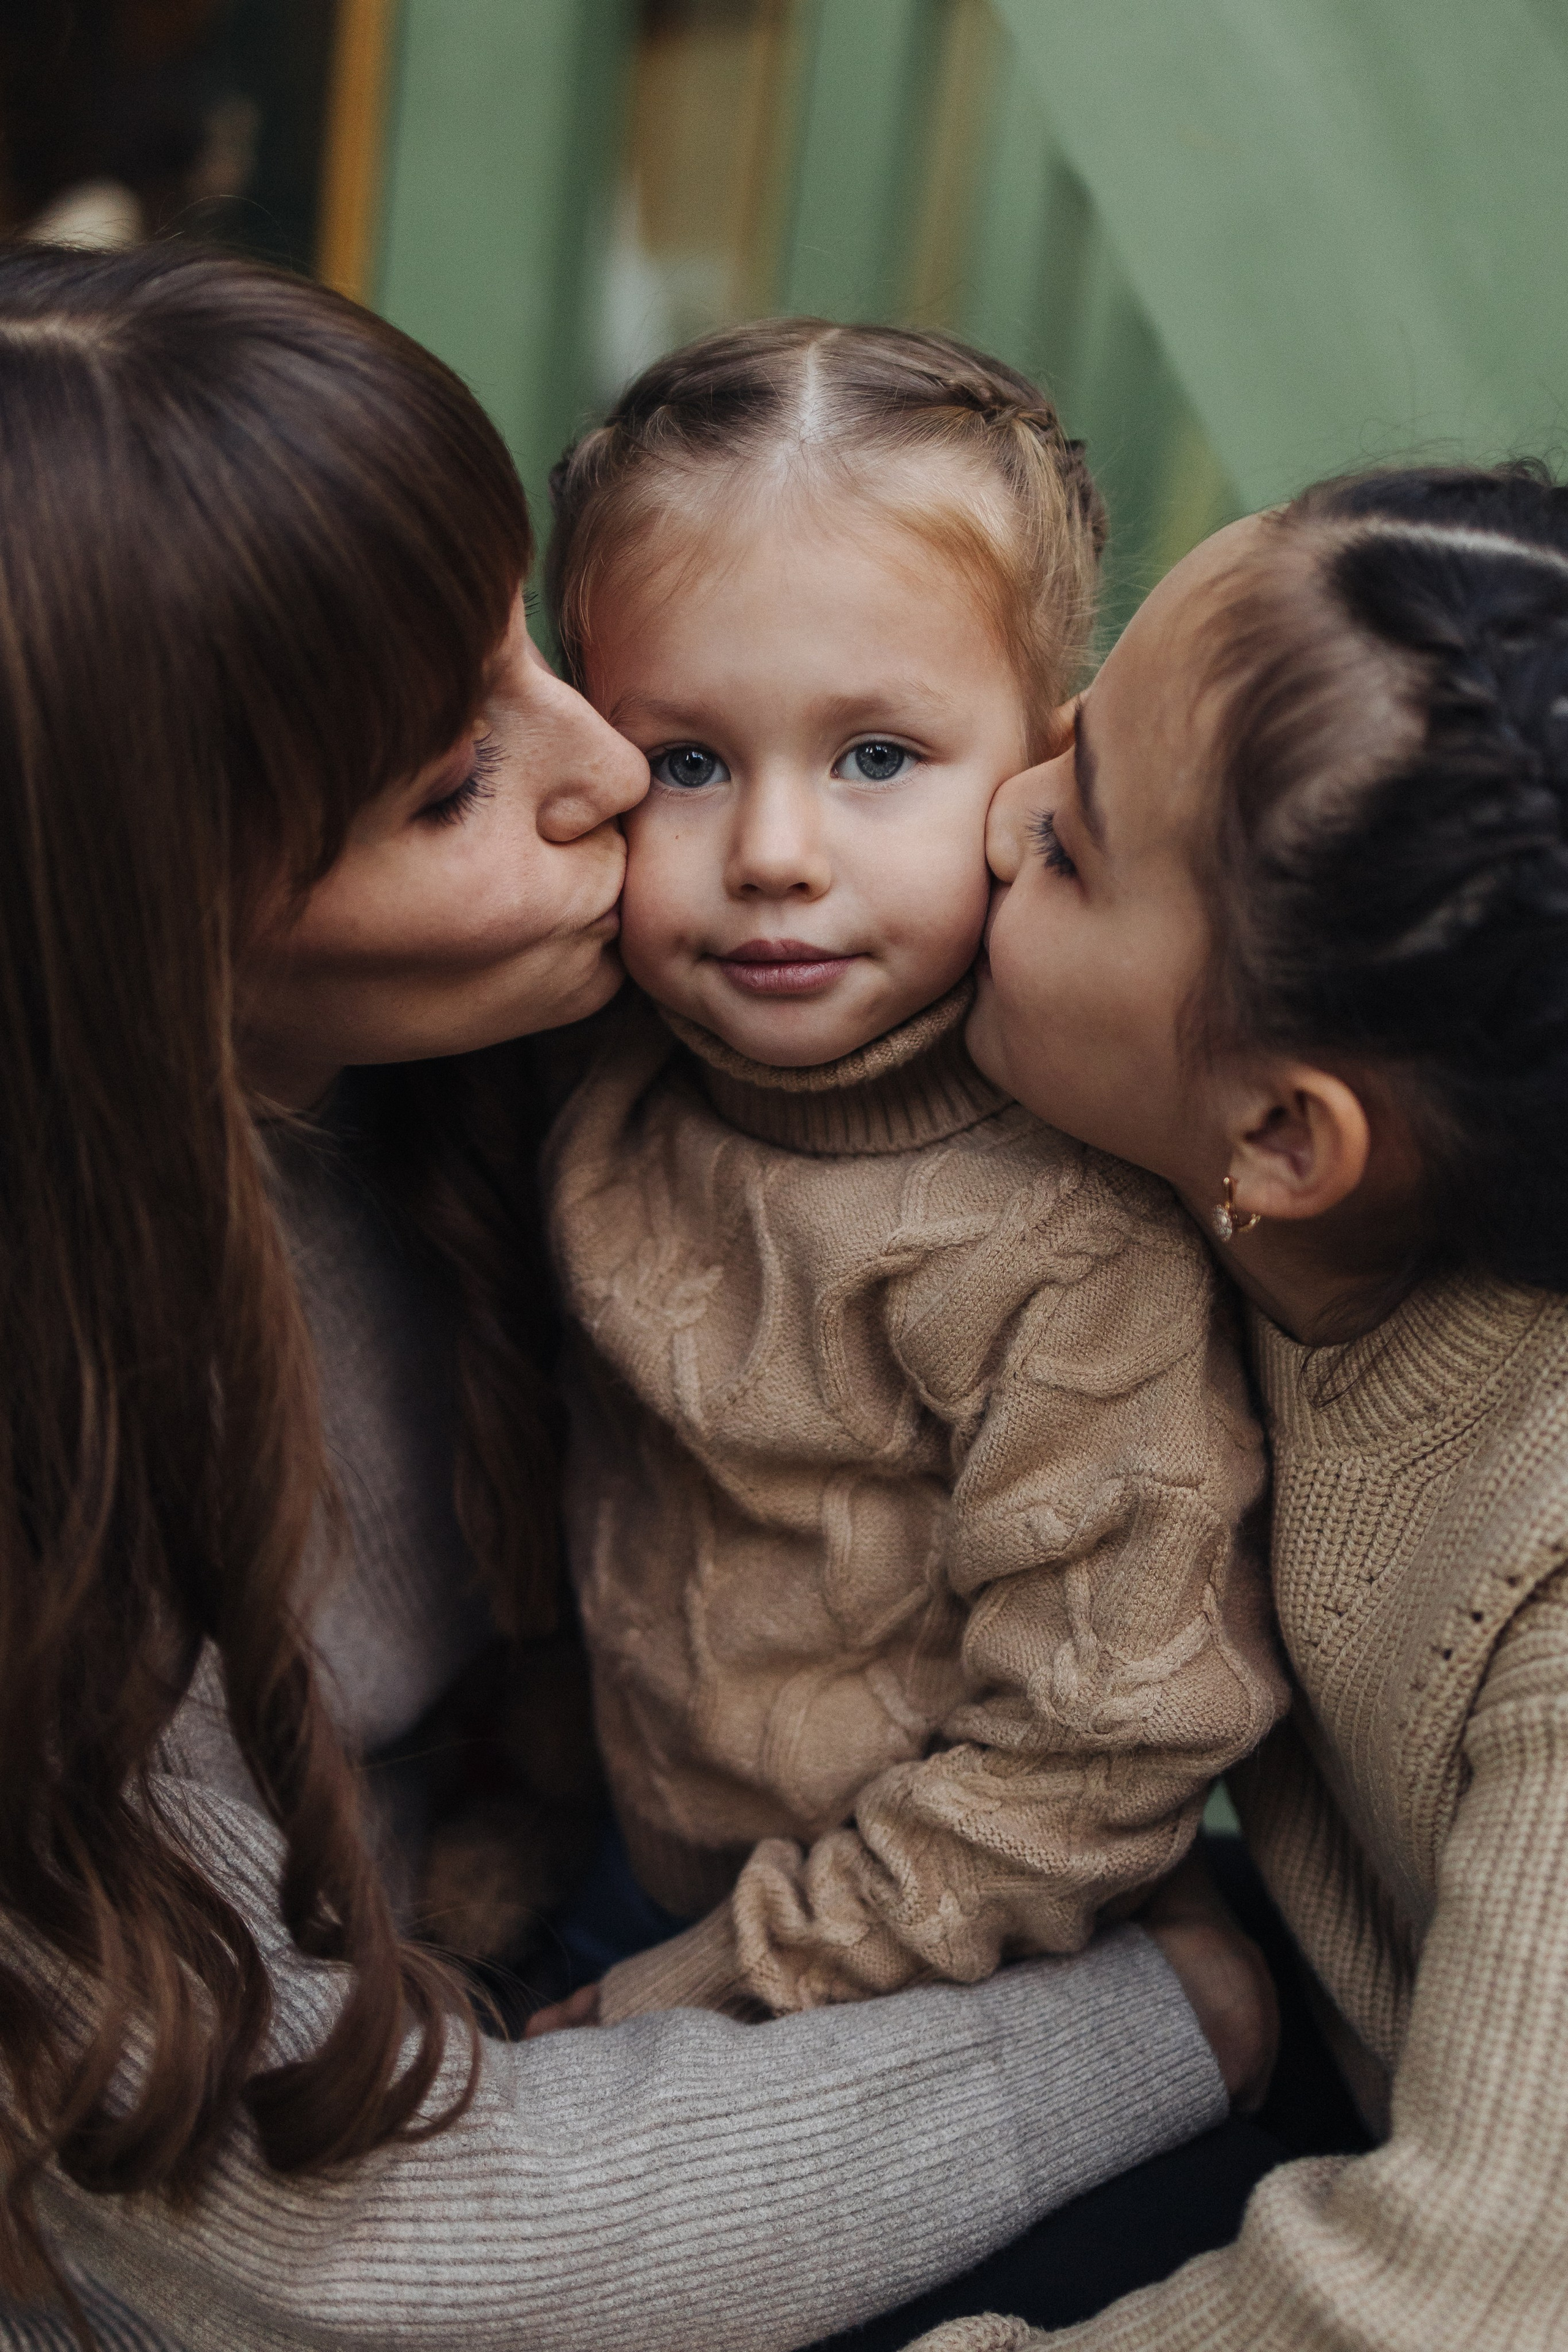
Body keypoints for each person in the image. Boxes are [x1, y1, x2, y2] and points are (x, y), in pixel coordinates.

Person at [0, 244, 1246, 2352]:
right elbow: (370, 2250)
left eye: (524, 650)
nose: (610, 770)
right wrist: (1183, 2021)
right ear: (152, 918)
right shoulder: (66, 1455)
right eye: (449, 782)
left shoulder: (569, 1060)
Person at [528, 320, 1286, 2035]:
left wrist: (720, 1983)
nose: (776, 858)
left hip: (949, 1958)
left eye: (878, 759)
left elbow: (1109, 1734)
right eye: (690, 763)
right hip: (630, 1869)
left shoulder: (1061, 1238)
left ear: (1039, 772)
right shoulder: (609, 1068)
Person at [910, 462, 1568, 2349]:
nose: (1001, 798)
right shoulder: (1218, 1184)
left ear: (1282, 1136)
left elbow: (1462, 2303)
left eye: (1075, 842)